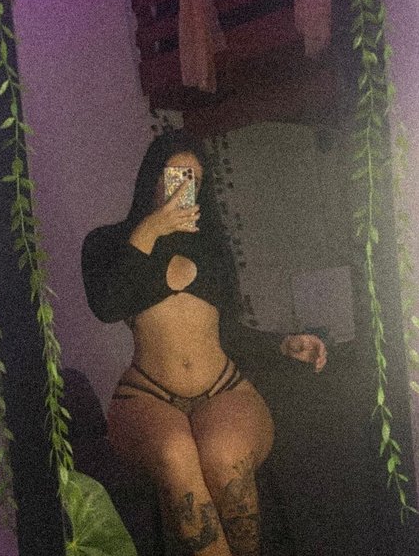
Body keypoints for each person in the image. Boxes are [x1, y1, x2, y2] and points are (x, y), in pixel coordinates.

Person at [81, 130, 327, 556]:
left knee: (224, 454)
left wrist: (283, 343)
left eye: (193, 178)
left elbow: (228, 331)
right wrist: (150, 229)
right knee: (175, 453)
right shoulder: (108, 242)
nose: (182, 187)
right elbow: (108, 304)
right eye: (174, 175)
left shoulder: (212, 247)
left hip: (222, 387)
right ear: (151, 177)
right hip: (147, 394)